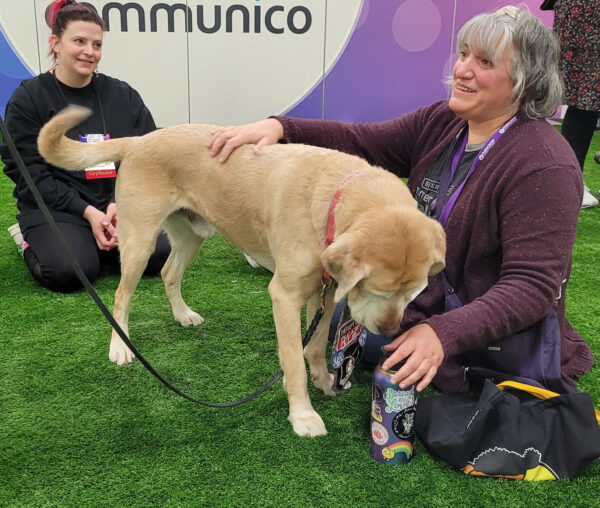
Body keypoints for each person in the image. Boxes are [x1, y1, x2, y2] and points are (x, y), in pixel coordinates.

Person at [206, 6, 594, 393]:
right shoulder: (445, 121)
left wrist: (443, 333)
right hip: (413, 297)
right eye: (463, 54)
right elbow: (362, 140)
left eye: (485, 61)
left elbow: (532, 286)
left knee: (346, 310)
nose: (462, 69)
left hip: (479, 328)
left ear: (525, 81)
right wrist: (281, 126)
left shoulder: (545, 165)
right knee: (338, 291)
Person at [2, 0, 170, 292]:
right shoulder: (28, 100)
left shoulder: (123, 95)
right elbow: (29, 174)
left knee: (158, 255)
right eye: (79, 41)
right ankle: (29, 238)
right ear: (55, 43)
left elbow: (148, 156)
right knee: (70, 271)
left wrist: (119, 205)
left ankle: (96, 242)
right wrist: (88, 212)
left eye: (97, 44)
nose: (89, 52)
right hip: (59, 208)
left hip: (117, 203)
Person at [553, 0, 600, 208]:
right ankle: (567, 184)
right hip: (589, 16)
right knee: (585, 98)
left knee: (584, 99)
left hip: (579, 13)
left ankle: (567, 183)